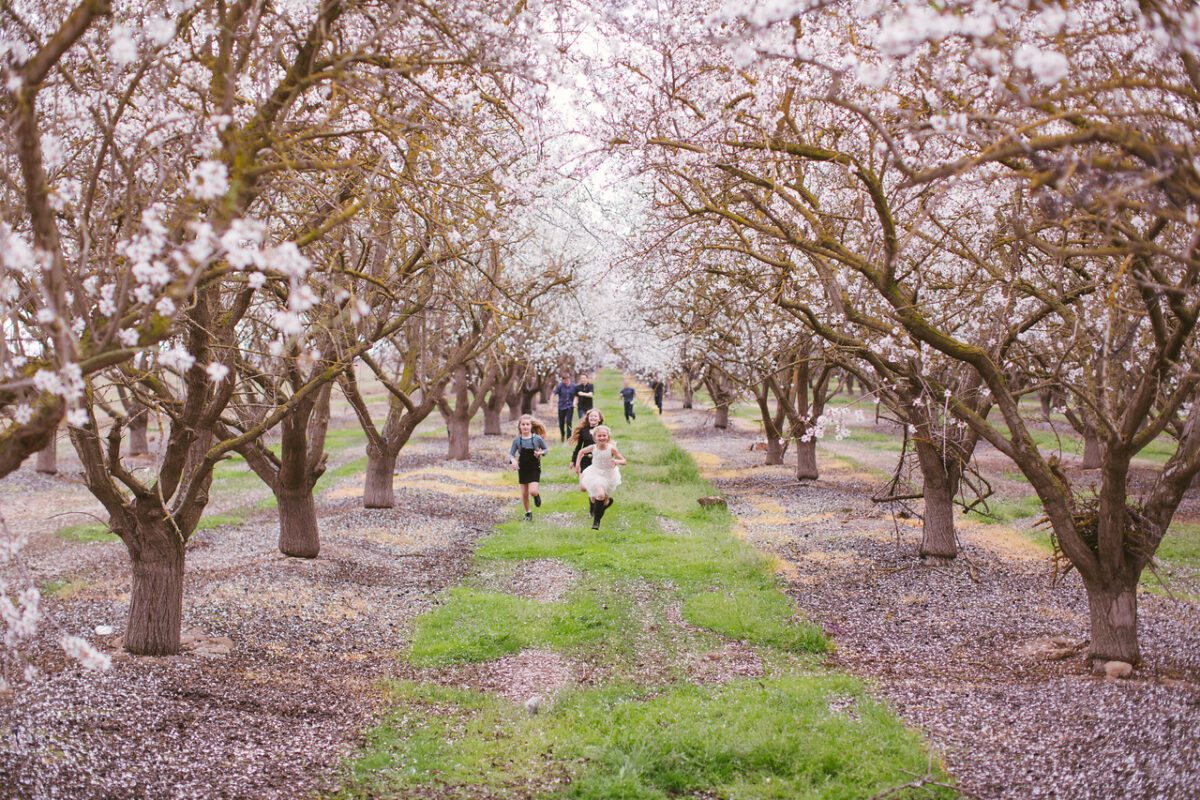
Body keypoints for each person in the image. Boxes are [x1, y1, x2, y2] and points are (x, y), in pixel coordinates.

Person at [575, 425, 626, 530]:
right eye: (599, 436)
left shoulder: (611, 448)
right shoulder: (593, 448)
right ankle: (596, 522)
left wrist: (616, 461)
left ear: (608, 436)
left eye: (604, 436)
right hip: (595, 473)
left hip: (609, 475)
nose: (602, 438)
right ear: (595, 437)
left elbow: (624, 461)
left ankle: (605, 505)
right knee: (599, 495)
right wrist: (577, 465)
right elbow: (581, 452)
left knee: (603, 500)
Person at [508, 414, 548, 521]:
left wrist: (540, 452)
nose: (525, 426)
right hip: (523, 468)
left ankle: (536, 495)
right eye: (523, 424)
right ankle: (528, 513)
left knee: (532, 491)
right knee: (524, 493)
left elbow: (546, 449)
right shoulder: (517, 441)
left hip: (534, 467)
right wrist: (513, 460)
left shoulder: (537, 439)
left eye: (527, 424)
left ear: (531, 426)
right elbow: (511, 454)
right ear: (519, 426)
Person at [570, 408, 605, 490]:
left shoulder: (603, 430)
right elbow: (578, 446)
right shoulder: (583, 430)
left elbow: (608, 444)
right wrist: (573, 461)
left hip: (599, 460)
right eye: (591, 416)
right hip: (585, 459)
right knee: (583, 487)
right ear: (588, 418)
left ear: (599, 419)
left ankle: (596, 500)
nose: (593, 418)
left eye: (595, 416)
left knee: (596, 485)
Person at [552, 372, 577, 441]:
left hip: (570, 407)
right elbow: (553, 394)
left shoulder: (574, 386)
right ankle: (562, 435)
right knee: (561, 423)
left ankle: (569, 438)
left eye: (567, 379)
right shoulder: (560, 386)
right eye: (564, 380)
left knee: (569, 421)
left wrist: (575, 402)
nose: (566, 381)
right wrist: (551, 405)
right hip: (561, 407)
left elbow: (577, 395)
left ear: (569, 379)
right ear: (562, 380)